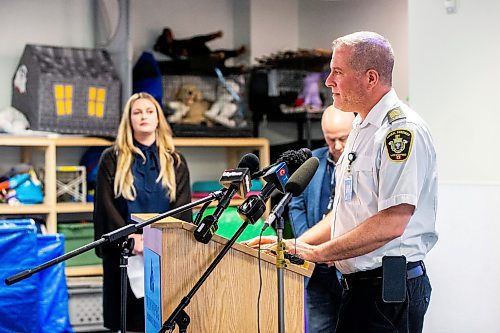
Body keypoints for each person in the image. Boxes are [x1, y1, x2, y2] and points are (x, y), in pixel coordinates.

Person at [244, 31, 438, 333]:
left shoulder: (399, 132)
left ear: (370, 78)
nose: (328, 81)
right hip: (360, 287)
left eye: (338, 72)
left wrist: (320, 254)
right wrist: (297, 244)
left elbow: (392, 222)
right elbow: (347, 213)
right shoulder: (361, 125)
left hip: (387, 290)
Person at [93, 92, 193, 332]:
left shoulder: (175, 160)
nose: (143, 116)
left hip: (163, 254)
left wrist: (155, 241)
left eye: (149, 111)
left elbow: (181, 208)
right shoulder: (112, 158)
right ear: (129, 120)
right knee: (130, 322)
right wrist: (130, 238)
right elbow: (105, 205)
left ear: (159, 118)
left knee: (163, 320)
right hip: (124, 253)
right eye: (137, 112)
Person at [288, 105, 354, 333]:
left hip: (349, 269)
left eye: (343, 139)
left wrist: (335, 250)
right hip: (315, 270)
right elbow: (295, 206)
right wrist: (310, 246)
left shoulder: (362, 163)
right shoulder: (312, 162)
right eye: (330, 139)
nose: (337, 146)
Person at [153, 27, 246, 69]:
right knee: (211, 58)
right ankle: (236, 68)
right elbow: (158, 48)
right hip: (195, 59)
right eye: (169, 36)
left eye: (171, 35)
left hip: (196, 51)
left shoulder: (175, 42)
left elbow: (186, 42)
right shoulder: (165, 46)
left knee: (195, 40)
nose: (171, 37)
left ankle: (235, 52)